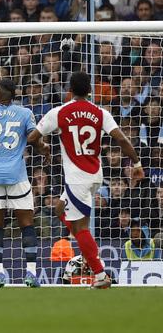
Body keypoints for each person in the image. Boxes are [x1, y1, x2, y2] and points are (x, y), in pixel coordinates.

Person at [28, 71, 145, 289]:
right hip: (95, 176)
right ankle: (88, 253)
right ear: (90, 90)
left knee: (80, 228)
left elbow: (32, 138)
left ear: (69, 90)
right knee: (59, 208)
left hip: (77, 179)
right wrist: (137, 164)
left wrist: (43, 148)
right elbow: (121, 138)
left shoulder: (59, 112)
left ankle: (99, 274)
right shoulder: (101, 113)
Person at [0, 79, 48, 287]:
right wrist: (43, 148)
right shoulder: (25, 113)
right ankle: (31, 273)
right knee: (27, 224)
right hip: (17, 175)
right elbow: (32, 138)